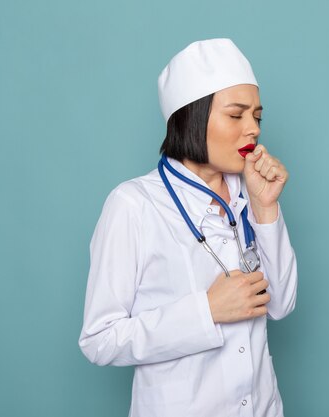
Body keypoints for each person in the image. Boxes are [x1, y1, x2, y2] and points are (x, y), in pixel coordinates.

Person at [78, 38, 298, 417]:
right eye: (236, 115)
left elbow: (280, 304)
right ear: (192, 117)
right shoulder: (133, 205)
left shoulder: (249, 192)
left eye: (257, 117)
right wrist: (206, 311)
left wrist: (266, 208)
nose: (253, 130)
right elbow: (100, 340)